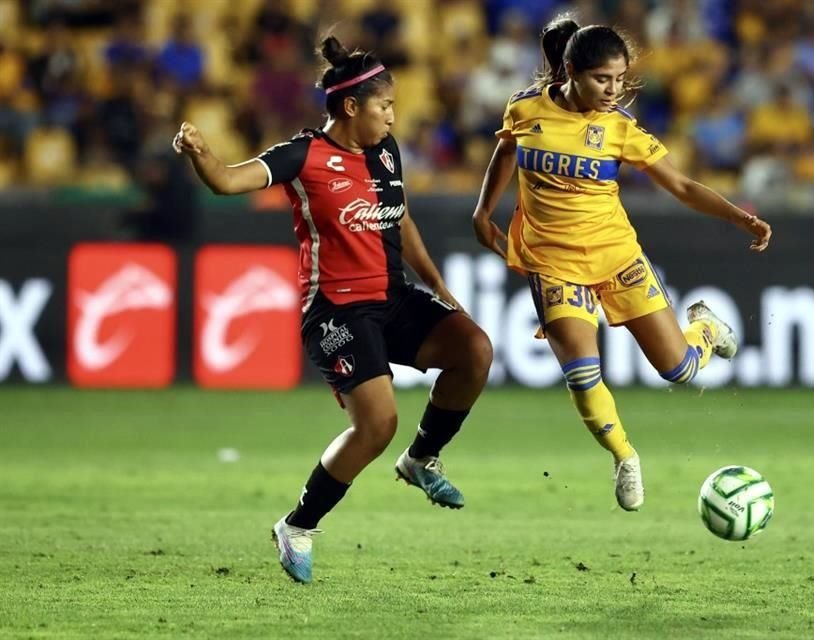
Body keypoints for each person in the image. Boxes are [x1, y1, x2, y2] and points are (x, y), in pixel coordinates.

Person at [174, 36, 493, 584]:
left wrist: (436, 283)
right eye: (384, 106)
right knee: (377, 425)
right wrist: (202, 152)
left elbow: (402, 218)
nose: (393, 117)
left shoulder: (386, 151)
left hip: (392, 296)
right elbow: (228, 181)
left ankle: (421, 459)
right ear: (352, 107)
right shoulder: (301, 156)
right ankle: (297, 525)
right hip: (337, 311)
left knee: (474, 350)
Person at [471, 15, 772, 512]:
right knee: (582, 374)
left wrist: (742, 218)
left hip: (616, 256)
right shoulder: (526, 109)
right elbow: (507, 146)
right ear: (570, 70)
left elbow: (681, 186)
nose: (612, 90)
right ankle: (625, 456)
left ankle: (704, 330)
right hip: (552, 264)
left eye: (619, 80)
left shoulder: (620, 129)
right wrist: (484, 210)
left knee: (677, 369)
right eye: (601, 79)